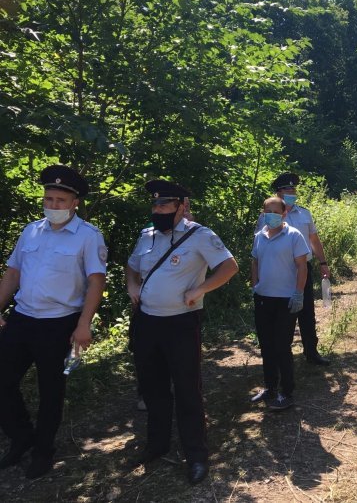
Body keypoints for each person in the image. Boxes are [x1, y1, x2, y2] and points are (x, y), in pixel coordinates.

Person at [126, 180, 238, 485]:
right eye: (155, 205)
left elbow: (229, 267)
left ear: (181, 206)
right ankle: (157, 445)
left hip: (181, 324)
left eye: (164, 205)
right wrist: (132, 286)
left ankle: (197, 456)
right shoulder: (146, 235)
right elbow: (132, 267)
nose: (158, 210)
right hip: (148, 323)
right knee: (153, 388)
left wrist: (200, 289)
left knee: (188, 391)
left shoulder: (200, 235)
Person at [0, 165, 106, 479]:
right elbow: (13, 274)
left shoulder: (88, 236)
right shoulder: (31, 230)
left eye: (60, 200)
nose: (53, 205)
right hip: (21, 319)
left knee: (51, 391)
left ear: (75, 203)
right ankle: (21, 438)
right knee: (3, 381)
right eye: (49, 199)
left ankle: (44, 451)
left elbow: (96, 282)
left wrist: (84, 323)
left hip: (59, 324)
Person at [257, 172, 330, 365]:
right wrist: (257, 281)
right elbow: (259, 248)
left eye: (293, 189)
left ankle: (311, 352)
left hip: (302, 269)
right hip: (279, 271)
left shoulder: (304, 213)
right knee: (282, 315)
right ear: (279, 192)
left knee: (307, 312)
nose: (292, 192)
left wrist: (323, 263)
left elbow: (314, 240)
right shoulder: (267, 217)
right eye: (288, 189)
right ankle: (282, 355)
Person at [250, 197, 309, 410]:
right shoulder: (259, 236)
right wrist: (255, 286)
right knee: (266, 345)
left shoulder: (294, 236)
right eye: (268, 211)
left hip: (286, 299)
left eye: (276, 211)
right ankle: (270, 387)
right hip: (264, 298)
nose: (271, 215)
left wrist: (298, 293)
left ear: (284, 214)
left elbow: (302, 267)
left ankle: (287, 392)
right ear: (263, 212)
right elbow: (255, 261)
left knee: (282, 346)